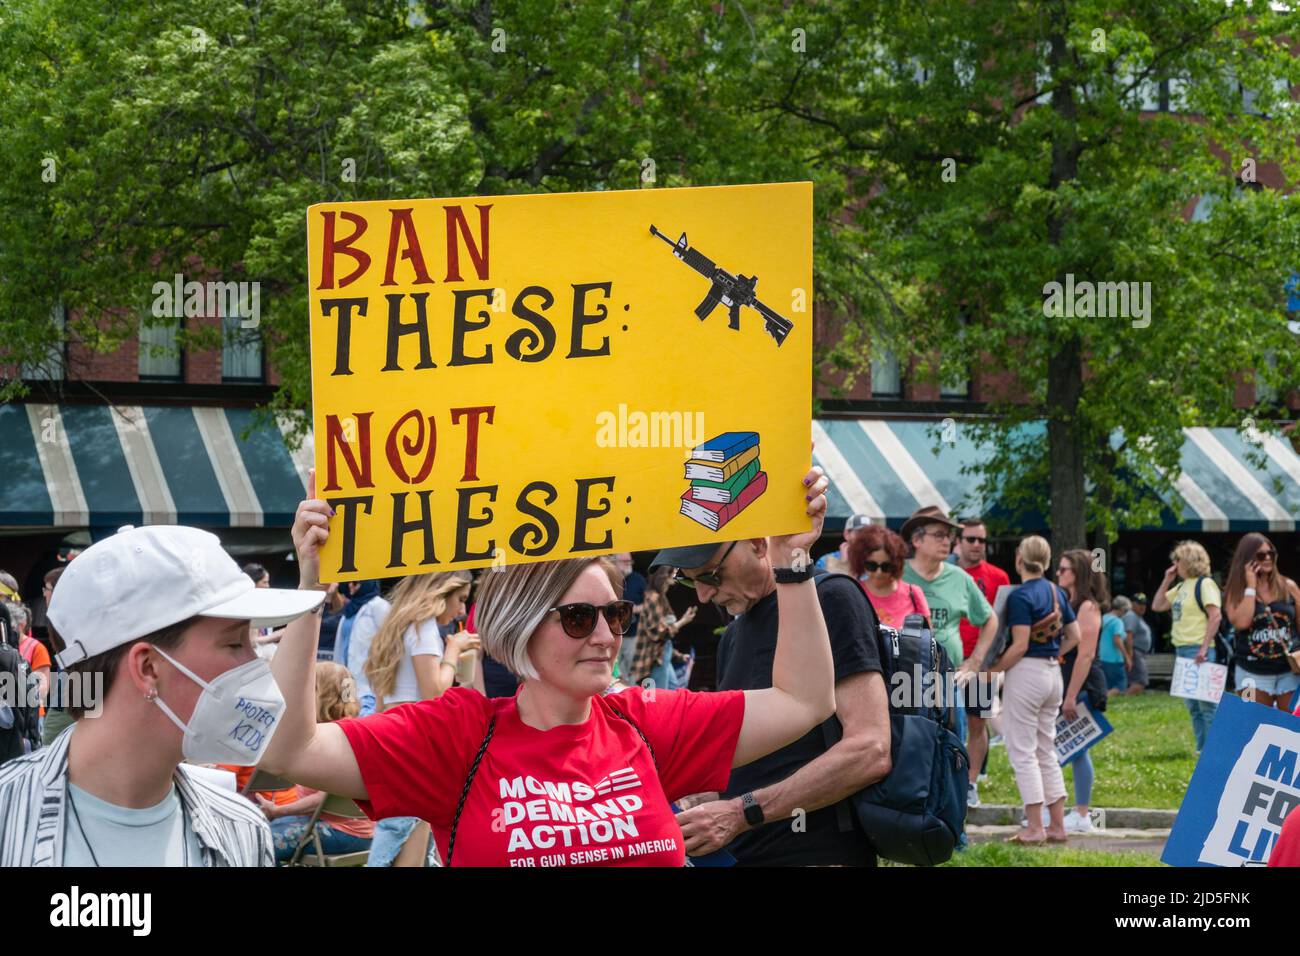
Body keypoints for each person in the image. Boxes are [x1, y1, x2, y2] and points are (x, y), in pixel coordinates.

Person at [261, 466, 838, 867]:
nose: (608, 634)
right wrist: (311, 588)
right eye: (580, 618)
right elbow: (291, 751)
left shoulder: (644, 720)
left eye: (616, 614)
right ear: (519, 627)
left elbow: (805, 702)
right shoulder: (458, 735)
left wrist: (792, 561)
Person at [0, 524, 324, 866]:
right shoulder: (9, 815)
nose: (253, 664)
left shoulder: (242, 829)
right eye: (233, 643)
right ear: (148, 667)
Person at [666, 529, 893, 867]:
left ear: (758, 543)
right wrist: (700, 799)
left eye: (712, 575)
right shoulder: (732, 636)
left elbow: (870, 750)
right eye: (689, 581)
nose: (702, 595)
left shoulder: (828, 599)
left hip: (818, 853)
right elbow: (757, 766)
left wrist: (741, 813)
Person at [901, 506, 998, 797]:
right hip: (908, 680)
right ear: (917, 540)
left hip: (959, 674)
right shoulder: (898, 573)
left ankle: (967, 787)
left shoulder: (968, 577)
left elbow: (991, 618)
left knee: (971, 727)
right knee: (914, 744)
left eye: (950, 536)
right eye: (940, 535)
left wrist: (977, 661)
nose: (948, 541)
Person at [991, 537, 1078, 845]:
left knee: (1022, 751)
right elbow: (1074, 634)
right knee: (1046, 750)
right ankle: (1057, 825)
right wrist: (1056, 653)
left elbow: (1019, 645)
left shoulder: (1020, 596)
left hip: (1026, 673)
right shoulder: (1057, 592)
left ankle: (1034, 827)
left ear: (1019, 559)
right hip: (1053, 673)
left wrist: (993, 670)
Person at [261, 661, 374, 863]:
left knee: (258, 842)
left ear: (317, 694)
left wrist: (278, 811)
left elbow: (321, 799)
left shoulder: (328, 739)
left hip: (340, 832)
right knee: (259, 832)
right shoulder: (355, 729)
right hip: (359, 830)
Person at [952, 517, 1010, 807]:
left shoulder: (998, 576)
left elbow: (1003, 622)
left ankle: (972, 782)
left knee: (978, 722)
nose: (977, 545)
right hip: (947, 660)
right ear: (958, 542)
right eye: (971, 539)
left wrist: (993, 663)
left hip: (981, 663)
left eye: (982, 540)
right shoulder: (943, 572)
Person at [364, 572, 478, 711]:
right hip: (412, 726)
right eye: (461, 599)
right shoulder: (423, 627)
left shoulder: (397, 626)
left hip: (390, 723)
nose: (462, 610)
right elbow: (434, 697)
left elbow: (380, 705)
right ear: (442, 592)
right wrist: (453, 649)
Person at [1056, 549, 1109, 834]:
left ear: (1079, 573)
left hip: (1083, 683)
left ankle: (1082, 813)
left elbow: (1085, 655)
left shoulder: (1087, 607)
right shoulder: (1067, 601)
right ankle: (1062, 810)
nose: (1058, 573)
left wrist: (1071, 696)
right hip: (1068, 679)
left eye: (1064, 569)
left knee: (1078, 748)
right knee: (1069, 748)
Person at [1151, 540, 1221, 752]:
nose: (1174, 564)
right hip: (1182, 649)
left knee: (1207, 705)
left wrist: (1203, 648)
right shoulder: (1181, 586)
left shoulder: (1205, 584)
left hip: (1199, 649)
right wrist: (1167, 580)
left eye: (1178, 559)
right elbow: (1157, 605)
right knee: (1193, 705)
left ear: (1189, 560)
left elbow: (1215, 616)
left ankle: (1214, 748)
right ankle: (1202, 747)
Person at [1222, 533, 1300, 710]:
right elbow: (1241, 622)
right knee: (1252, 723)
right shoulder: (1237, 590)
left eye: (1270, 553)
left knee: (1292, 727)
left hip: (1288, 670)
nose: (1267, 558)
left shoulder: (1288, 586)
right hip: (1251, 671)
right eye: (1261, 555)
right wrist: (1250, 587)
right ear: (1247, 559)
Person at [625, 566, 697, 687]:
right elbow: (657, 634)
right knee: (657, 698)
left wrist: (678, 656)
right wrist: (683, 621)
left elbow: (664, 641)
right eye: (674, 571)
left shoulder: (662, 597)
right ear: (665, 574)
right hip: (654, 660)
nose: (677, 573)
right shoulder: (653, 598)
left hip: (663, 656)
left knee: (672, 690)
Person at [849, 524, 931, 629]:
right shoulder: (856, 593)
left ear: (896, 565)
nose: (878, 572)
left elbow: (928, 639)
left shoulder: (913, 593)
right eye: (871, 566)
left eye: (886, 566)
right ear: (861, 562)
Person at [336, 580, 390, 716]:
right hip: (347, 682)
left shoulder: (379, 606)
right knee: (348, 718)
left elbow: (390, 645)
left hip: (369, 685)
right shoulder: (349, 610)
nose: (350, 586)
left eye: (356, 583)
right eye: (348, 583)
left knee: (364, 721)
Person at [40, 566, 74, 746]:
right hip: (78, 681)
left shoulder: (65, 614)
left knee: (49, 743)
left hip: (76, 682)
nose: (45, 594)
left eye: (47, 589)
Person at [613, 553, 647, 679]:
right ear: (614, 562)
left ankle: (631, 696)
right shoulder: (611, 579)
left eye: (630, 561)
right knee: (614, 672)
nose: (628, 564)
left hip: (632, 635)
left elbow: (651, 603)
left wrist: (632, 609)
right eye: (624, 561)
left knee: (632, 673)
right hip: (612, 634)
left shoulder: (638, 579)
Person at [1120, 594, 1151, 695]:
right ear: (1132, 604)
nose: (1143, 606)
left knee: (1139, 681)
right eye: (1139, 604)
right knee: (1140, 681)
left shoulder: (1138, 617)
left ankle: (1126, 699)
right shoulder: (1131, 616)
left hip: (1139, 652)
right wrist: (1130, 655)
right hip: (1135, 652)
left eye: (1144, 604)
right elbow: (1129, 635)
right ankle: (1125, 700)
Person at [1097, 603, 1130, 696]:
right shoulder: (1117, 622)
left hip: (1100, 656)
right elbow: (1117, 639)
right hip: (1114, 658)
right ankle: (1104, 697)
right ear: (1122, 610)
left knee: (1106, 684)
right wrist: (1126, 656)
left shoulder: (1102, 618)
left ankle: (1102, 697)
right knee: (1120, 685)